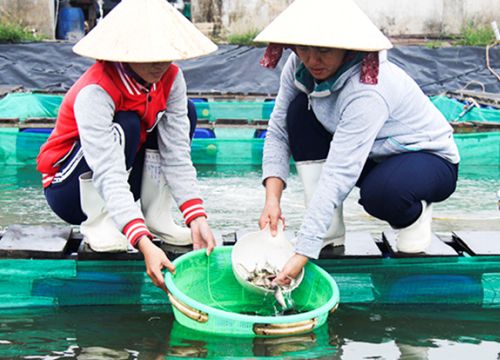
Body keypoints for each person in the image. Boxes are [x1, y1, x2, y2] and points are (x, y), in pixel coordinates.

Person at [255, 0, 460, 284]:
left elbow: (341, 169)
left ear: (348, 47)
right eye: (304, 49)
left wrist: (304, 249)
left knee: (382, 195)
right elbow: (278, 129)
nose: (312, 60)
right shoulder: (299, 65)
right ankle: (330, 228)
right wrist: (272, 200)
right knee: (297, 113)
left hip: (426, 159)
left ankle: (414, 216)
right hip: (371, 155)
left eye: (324, 50)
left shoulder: (368, 89)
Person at [36, 0, 218, 293]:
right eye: (149, 54)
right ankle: (100, 223)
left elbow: (177, 155)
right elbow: (107, 171)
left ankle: (157, 215)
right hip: (69, 189)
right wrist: (143, 243)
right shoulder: (96, 89)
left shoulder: (171, 79)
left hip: (122, 175)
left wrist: (196, 217)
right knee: (129, 123)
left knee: (187, 110)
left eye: (166, 53)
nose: (160, 62)